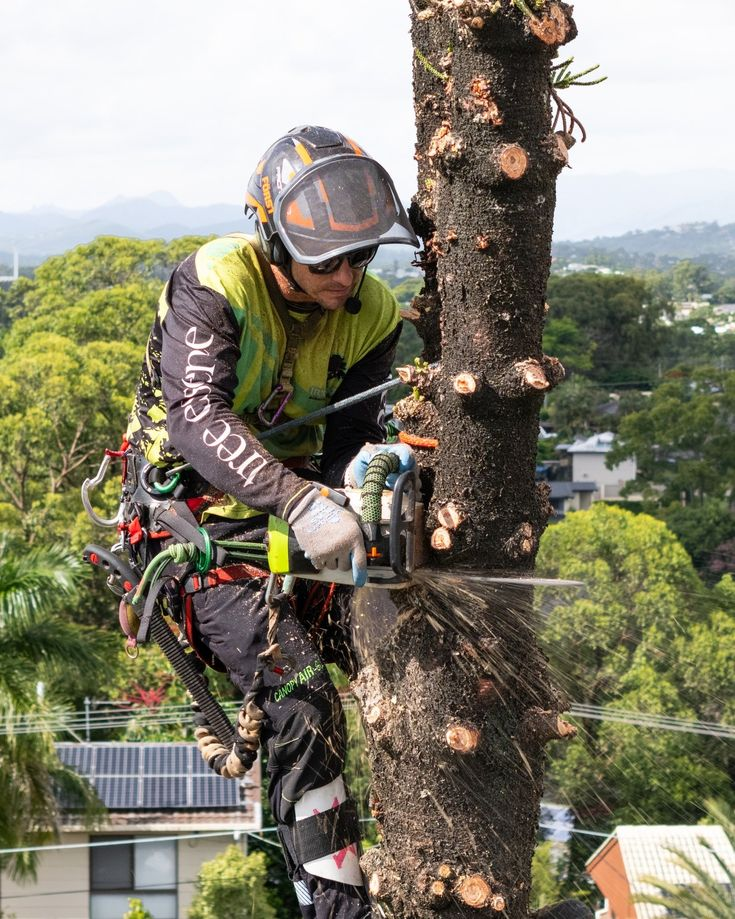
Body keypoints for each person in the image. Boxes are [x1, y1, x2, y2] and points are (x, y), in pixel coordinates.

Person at [125, 125, 418, 919]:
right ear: (274, 240)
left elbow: (347, 440)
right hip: (193, 523)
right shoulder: (215, 279)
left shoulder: (373, 313)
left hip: (302, 516)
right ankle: (336, 910)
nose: (345, 276)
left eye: (361, 257)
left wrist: (345, 494)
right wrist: (292, 500)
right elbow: (193, 415)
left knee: (416, 662)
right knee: (299, 699)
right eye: (326, 260)